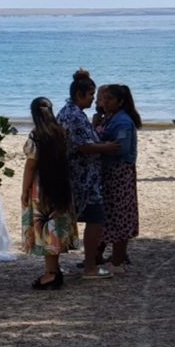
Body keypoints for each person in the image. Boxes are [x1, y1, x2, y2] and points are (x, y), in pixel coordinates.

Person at [56, 68, 118, 280]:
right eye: (91, 95)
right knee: (95, 219)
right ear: (79, 94)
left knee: (69, 219)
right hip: (83, 178)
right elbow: (83, 146)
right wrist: (107, 147)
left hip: (77, 175)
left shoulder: (68, 112)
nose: (94, 99)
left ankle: (57, 265)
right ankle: (90, 266)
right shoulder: (74, 115)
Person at [21, 97, 78, 290]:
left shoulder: (36, 135)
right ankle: (54, 270)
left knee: (46, 230)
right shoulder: (61, 132)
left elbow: (30, 166)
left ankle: (51, 273)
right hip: (61, 183)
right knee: (55, 226)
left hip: (42, 186)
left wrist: (24, 191)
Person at [100, 85, 142, 274]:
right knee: (112, 215)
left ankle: (117, 262)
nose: (104, 102)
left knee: (120, 216)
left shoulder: (123, 122)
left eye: (109, 99)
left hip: (119, 173)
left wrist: (98, 145)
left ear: (120, 101)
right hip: (111, 172)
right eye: (103, 99)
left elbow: (121, 148)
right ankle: (115, 259)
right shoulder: (111, 118)